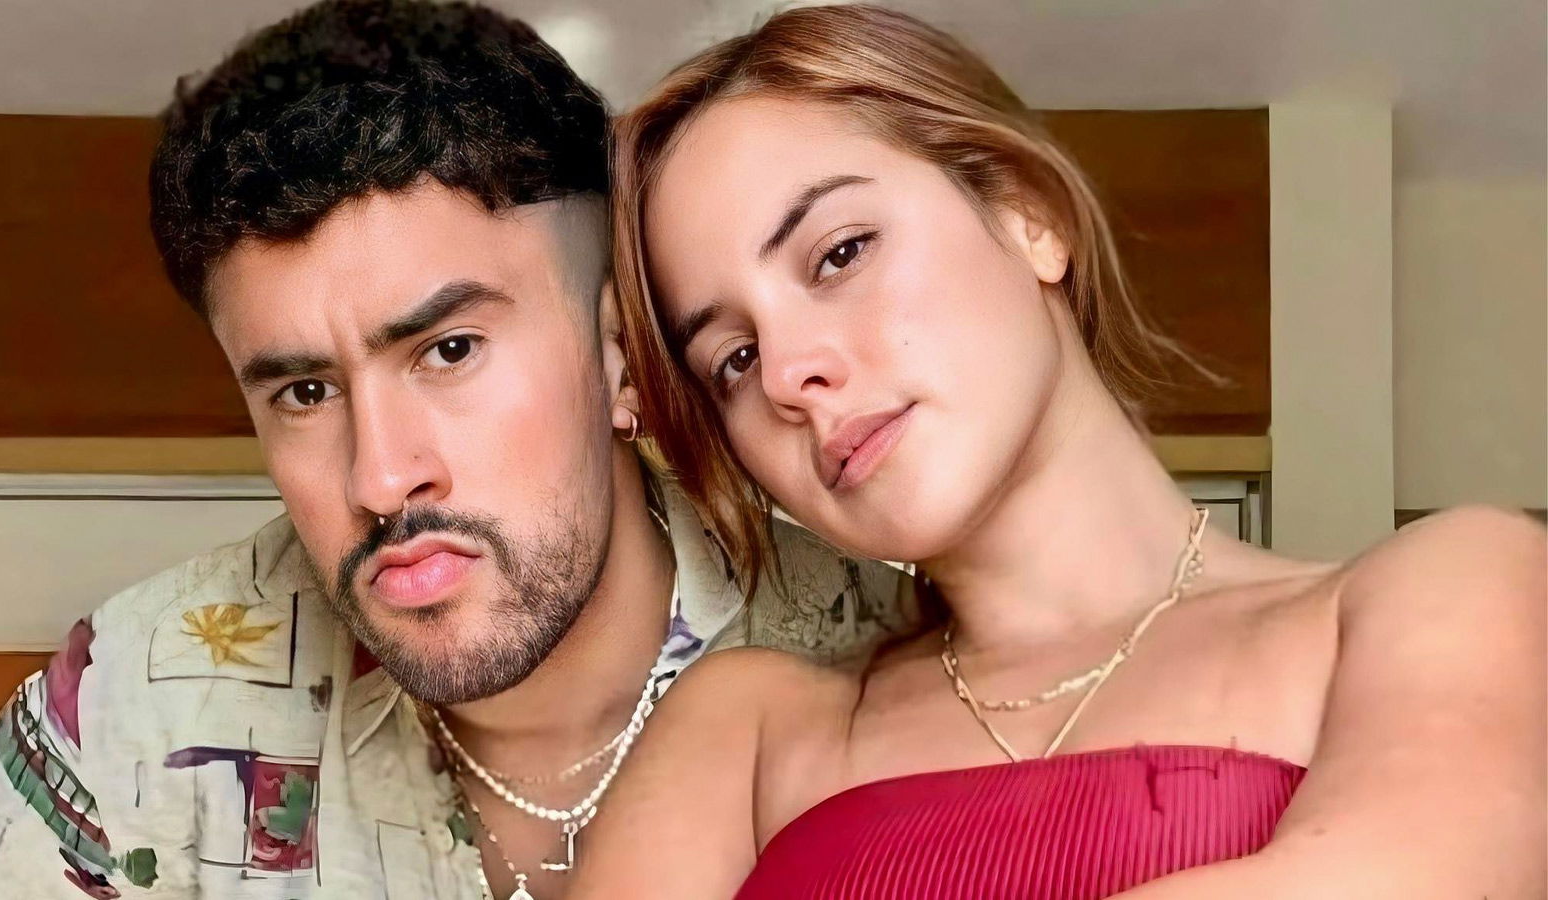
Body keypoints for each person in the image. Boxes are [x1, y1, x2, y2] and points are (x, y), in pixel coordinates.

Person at [574, 5, 1548, 898]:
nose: (789, 373)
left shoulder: (1448, 590)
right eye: (734, 359)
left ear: (1027, 213)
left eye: (840, 253)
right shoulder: (742, 735)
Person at [0, 3, 908, 898]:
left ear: (622, 352)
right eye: (305, 393)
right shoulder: (130, 712)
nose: (381, 478)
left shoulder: (889, 658)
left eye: (448, 352)